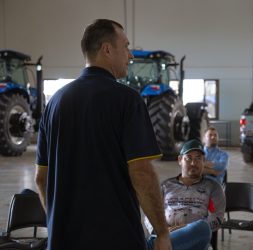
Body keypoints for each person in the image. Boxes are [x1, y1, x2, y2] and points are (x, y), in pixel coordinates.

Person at [34, 19, 172, 250]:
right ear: (107, 49)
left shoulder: (55, 103)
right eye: (126, 47)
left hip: (62, 240)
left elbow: (41, 178)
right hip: (117, 238)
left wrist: (56, 222)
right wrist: (162, 233)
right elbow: (141, 174)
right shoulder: (127, 100)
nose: (130, 55)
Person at [145, 139, 226, 250]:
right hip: (163, 235)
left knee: (203, 227)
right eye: (188, 158)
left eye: (198, 158)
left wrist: (186, 229)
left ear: (204, 161)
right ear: (180, 160)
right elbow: (150, 215)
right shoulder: (166, 186)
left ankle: (149, 247)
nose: (193, 163)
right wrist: (161, 231)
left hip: (193, 239)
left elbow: (218, 219)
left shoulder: (213, 187)